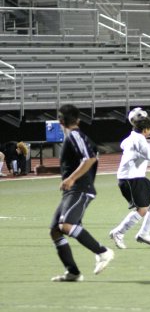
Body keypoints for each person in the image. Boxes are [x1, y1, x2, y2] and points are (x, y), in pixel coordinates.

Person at [49, 103, 114, 282]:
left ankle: (103, 252)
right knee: (56, 230)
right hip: (74, 190)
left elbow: (89, 159)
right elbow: (74, 164)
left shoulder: (75, 136)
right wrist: (51, 170)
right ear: (77, 119)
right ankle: (73, 273)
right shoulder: (74, 136)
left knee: (66, 226)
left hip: (81, 189)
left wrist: (70, 179)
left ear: (60, 120)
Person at [109, 115, 150, 249]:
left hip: (138, 176)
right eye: (149, 129)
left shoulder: (132, 137)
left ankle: (144, 234)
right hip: (129, 178)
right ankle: (118, 233)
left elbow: (123, 144)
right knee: (142, 209)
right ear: (145, 130)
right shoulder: (139, 140)